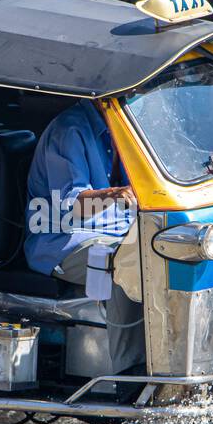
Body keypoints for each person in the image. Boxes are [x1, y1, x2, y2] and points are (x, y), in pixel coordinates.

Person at [24, 100, 143, 373]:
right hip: (62, 241)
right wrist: (115, 194)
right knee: (124, 269)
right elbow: (72, 205)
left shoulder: (130, 123)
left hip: (116, 231)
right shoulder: (70, 131)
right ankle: (130, 377)